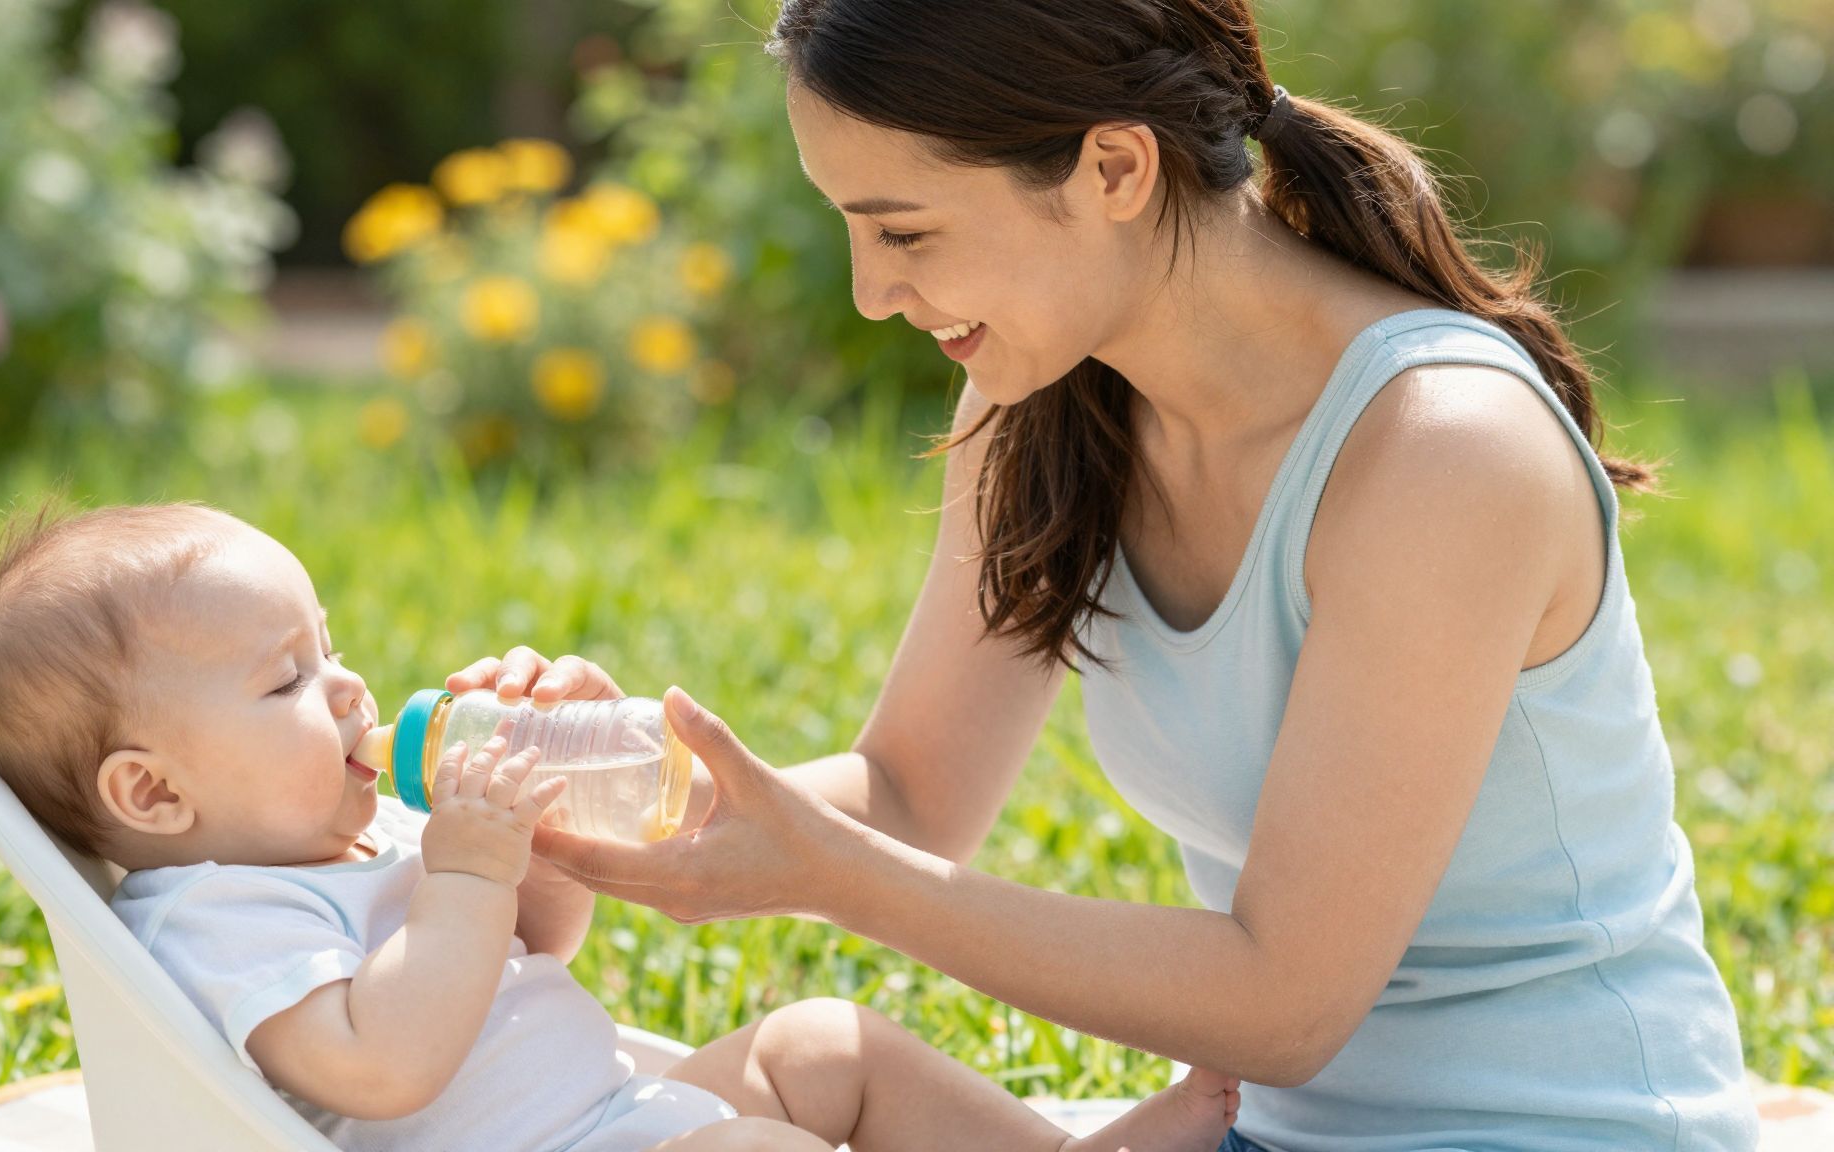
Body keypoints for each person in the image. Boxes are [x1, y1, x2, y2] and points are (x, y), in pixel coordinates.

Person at [495, 1, 1761, 1149]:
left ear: (1113, 168)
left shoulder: (1441, 451)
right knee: (790, 1070)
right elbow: (909, 792)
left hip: (1559, 1133)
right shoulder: (1041, 406)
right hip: (1262, 1137)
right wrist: (611, 786)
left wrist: (830, 873)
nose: (872, 292)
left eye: (904, 229)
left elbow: (1283, 1003)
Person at [0, 501, 1242, 1152]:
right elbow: (381, 1071)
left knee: (823, 1044)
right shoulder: (221, 915)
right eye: (285, 681)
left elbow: (539, 944)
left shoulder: (351, 835)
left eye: (327, 647)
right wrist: (462, 870)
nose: (345, 689)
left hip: (616, 1117)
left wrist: (538, 830)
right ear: (153, 795)